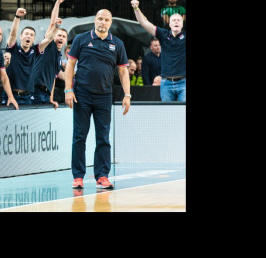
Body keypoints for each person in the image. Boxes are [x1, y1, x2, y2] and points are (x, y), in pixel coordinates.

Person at [64, 9, 130, 190]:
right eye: (100, 19)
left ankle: (102, 176)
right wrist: (68, 89)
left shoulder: (117, 43)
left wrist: (127, 95)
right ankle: (78, 177)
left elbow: (123, 71)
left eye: (106, 20)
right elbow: (70, 65)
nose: (103, 22)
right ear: (95, 20)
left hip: (104, 96)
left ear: (111, 23)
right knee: (79, 137)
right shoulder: (81, 39)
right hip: (81, 95)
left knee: (103, 138)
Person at [132, 1, 184, 101]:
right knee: (166, 110)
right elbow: (144, 23)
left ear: (182, 24)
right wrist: (136, 8)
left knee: (183, 110)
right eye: (174, 20)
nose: (176, 22)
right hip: (166, 83)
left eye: (179, 20)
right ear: (169, 24)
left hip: (183, 82)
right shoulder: (163, 34)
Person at [30, 0, 66, 107]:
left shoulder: (59, 56)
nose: (61, 38)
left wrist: (51, 98)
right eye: (59, 35)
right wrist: (57, 3)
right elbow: (52, 23)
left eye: (64, 36)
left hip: (46, 93)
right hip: (35, 89)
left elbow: (53, 78)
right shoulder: (49, 45)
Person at [2, 7, 38, 105]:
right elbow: (12, 35)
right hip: (10, 94)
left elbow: (48, 39)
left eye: (31, 35)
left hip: (27, 96)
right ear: (21, 36)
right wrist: (17, 17)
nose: (28, 36)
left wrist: (56, 26)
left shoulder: (35, 50)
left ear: (34, 39)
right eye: (26, 34)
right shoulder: (12, 49)